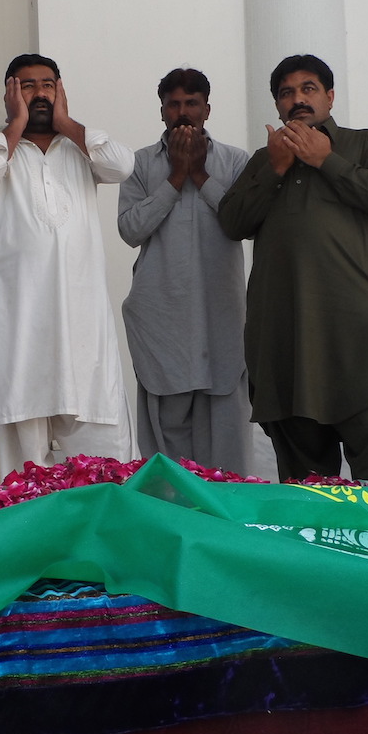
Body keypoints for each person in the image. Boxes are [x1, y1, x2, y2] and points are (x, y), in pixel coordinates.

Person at [217, 53, 368, 483]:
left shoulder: (363, 145)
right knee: (307, 486)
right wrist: (276, 168)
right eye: (286, 93)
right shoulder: (264, 159)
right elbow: (232, 223)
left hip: (356, 337)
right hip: (287, 343)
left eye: (308, 89)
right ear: (277, 105)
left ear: (329, 97)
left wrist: (328, 160)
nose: (298, 99)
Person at [0, 53, 137, 477]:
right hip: (20, 334)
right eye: (27, 85)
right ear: (9, 91)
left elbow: (122, 164)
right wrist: (15, 124)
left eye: (48, 84)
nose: (39, 93)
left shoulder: (80, 150)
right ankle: (30, 541)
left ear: (61, 89)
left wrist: (68, 124)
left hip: (83, 335)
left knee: (105, 463)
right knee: (22, 474)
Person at [118, 67, 252, 475]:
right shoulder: (139, 165)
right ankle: (172, 520)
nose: (182, 113)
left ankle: (227, 528)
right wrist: (175, 178)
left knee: (226, 441)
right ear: (162, 111)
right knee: (167, 449)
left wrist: (199, 174)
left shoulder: (234, 161)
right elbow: (130, 229)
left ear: (207, 109)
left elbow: (243, 222)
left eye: (191, 104)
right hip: (163, 321)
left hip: (220, 318)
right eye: (173, 104)